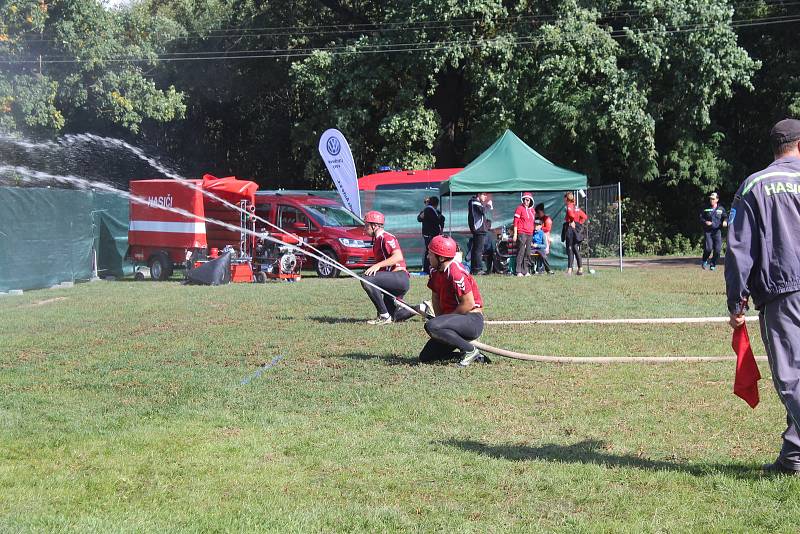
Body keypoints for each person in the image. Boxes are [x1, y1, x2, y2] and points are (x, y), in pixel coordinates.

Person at [726, 118, 800, 476]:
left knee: (791, 378)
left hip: (783, 292)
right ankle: (793, 458)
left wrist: (736, 303)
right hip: (786, 287)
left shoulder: (755, 184)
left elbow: (739, 251)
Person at [419, 235, 489, 367]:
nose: (428, 257)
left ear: (441, 258)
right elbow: (435, 296)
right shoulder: (435, 270)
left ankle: (470, 350)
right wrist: (441, 319)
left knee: (431, 326)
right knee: (426, 357)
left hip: (471, 320)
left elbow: (468, 304)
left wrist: (444, 321)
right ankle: (475, 356)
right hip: (454, 320)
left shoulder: (456, 272)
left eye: (430, 254)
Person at [360, 210, 410, 324]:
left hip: (399, 278)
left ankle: (383, 316)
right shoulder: (377, 240)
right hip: (394, 280)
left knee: (366, 279)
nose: (364, 228)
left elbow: (398, 256)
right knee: (394, 316)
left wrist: (377, 266)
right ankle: (422, 308)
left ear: (375, 226)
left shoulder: (386, 237)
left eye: (366, 225)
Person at [700, 192, 728, 270]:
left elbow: (725, 217)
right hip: (708, 231)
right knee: (708, 248)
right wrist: (705, 222)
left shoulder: (721, 209)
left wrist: (725, 221)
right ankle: (704, 260)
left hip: (717, 231)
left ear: (717, 200)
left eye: (713, 199)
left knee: (718, 250)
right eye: (710, 199)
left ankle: (713, 264)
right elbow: (701, 218)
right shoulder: (705, 208)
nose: (711, 200)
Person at [417, 196, 445, 274]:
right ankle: (428, 268)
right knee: (430, 251)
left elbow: (441, 219)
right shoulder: (428, 210)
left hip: (430, 234)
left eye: (427, 202)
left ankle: (429, 267)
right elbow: (419, 218)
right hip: (430, 235)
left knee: (430, 251)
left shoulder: (432, 211)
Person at [562, 192, 588, 275]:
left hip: (570, 228)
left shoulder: (569, 205)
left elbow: (571, 215)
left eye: (564, 198)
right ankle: (580, 269)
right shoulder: (576, 207)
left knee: (569, 248)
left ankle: (569, 270)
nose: (564, 200)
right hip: (576, 229)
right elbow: (584, 217)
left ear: (566, 198)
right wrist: (579, 224)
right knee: (575, 248)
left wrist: (572, 221)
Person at [467, 192, 492, 274]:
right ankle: (477, 269)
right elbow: (483, 211)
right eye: (484, 195)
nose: (485, 197)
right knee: (478, 250)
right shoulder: (475, 202)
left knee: (476, 250)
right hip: (479, 230)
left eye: (486, 195)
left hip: (479, 229)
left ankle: (474, 269)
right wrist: (488, 205)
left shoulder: (476, 203)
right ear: (478, 195)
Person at [513, 192, 536, 276]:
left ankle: (525, 271)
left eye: (528, 200)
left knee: (527, 252)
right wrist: (515, 234)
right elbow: (515, 222)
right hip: (521, 232)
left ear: (531, 201)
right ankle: (518, 271)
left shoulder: (532, 211)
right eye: (525, 199)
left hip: (530, 233)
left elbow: (533, 223)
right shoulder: (519, 208)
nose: (526, 201)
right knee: (521, 251)